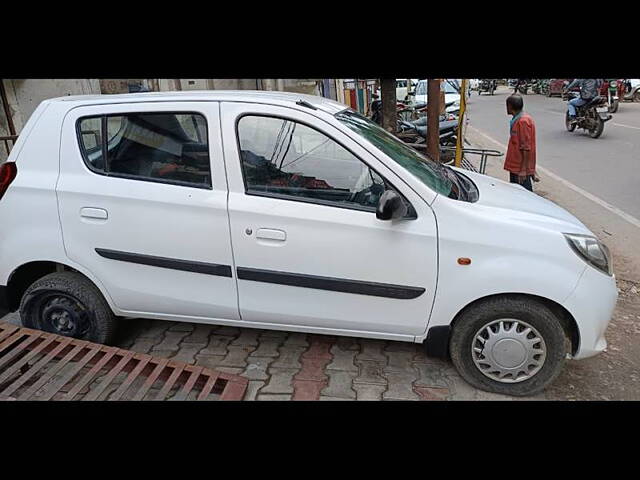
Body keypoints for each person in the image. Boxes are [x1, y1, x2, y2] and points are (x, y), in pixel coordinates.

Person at [504, 94, 538, 192]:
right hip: (516, 166)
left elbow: (526, 147)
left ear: (510, 106)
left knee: (524, 194)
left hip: (520, 167)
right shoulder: (517, 119)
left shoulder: (523, 122)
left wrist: (524, 170)